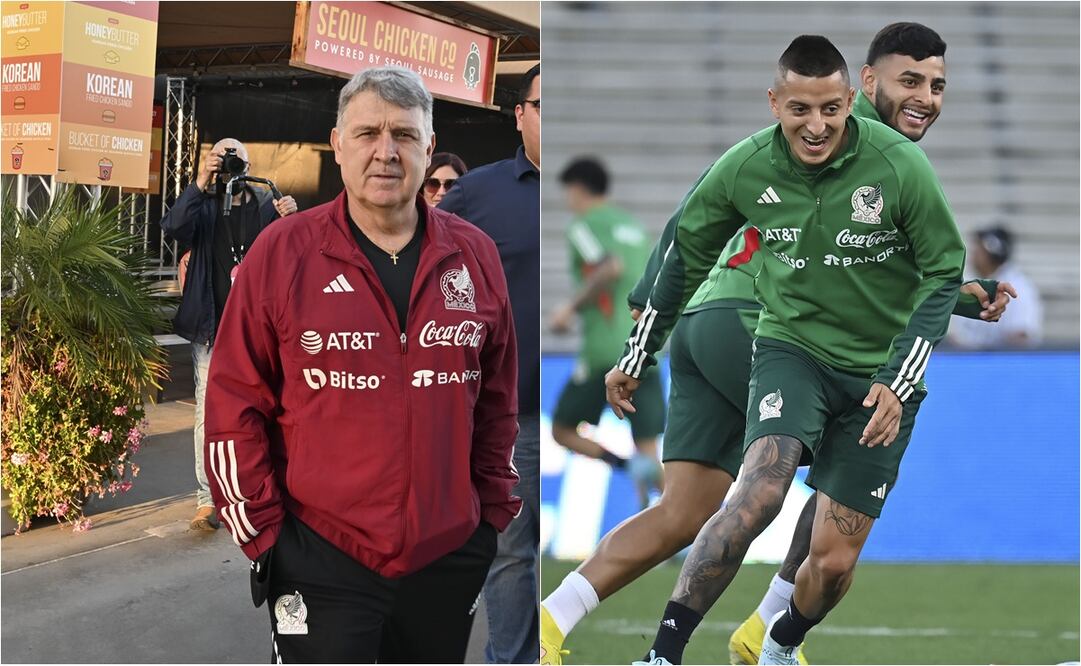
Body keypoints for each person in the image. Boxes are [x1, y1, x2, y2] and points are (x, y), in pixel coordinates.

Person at [540, 24, 1014, 666]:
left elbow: (872, 268)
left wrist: (958, 296)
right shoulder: (819, 148)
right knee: (796, 469)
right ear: (864, 84)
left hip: (704, 320)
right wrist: (643, 328)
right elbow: (736, 237)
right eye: (910, 82)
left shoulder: (887, 164)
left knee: (688, 510)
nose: (925, 97)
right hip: (757, 319)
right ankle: (757, 632)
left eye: (936, 86)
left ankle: (553, 618)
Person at [202, 67, 521, 663]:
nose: (385, 151)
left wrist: (488, 516)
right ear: (338, 143)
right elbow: (233, 401)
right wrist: (265, 537)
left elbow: (498, 403)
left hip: (445, 556)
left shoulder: (474, 255)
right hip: (320, 553)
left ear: (429, 147)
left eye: (403, 134)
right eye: (368, 132)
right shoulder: (285, 251)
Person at [438, 63, 541, 664]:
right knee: (512, 551)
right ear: (520, 114)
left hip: (599, 400)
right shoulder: (475, 195)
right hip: (515, 413)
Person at [158, 138, 297, 532]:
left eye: (238, 159)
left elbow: (294, 257)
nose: (233, 167)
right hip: (212, 328)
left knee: (268, 408)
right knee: (208, 413)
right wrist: (203, 178)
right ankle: (208, 500)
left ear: (251, 165)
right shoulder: (202, 207)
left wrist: (293, 221)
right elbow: (172, 226)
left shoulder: (266, 206)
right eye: (225, 157)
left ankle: (262, 491)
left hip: (260, 330)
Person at [548, 156, 665, 507]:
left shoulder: (583, 226)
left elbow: (608, 267)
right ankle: (676, 534)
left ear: (577, 189)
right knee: (646, 444)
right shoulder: (633, 227)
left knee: (562, 430)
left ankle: (624, 466)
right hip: (645, 347)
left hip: (604, 354)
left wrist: (569, 307)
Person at [949, 226, 1042, 349]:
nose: (973, 253)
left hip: (1003, 363)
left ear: (991, 253)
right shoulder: (968, 281)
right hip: (967, 361)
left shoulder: (1018, 287)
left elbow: (1022, 337)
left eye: (979, 249)